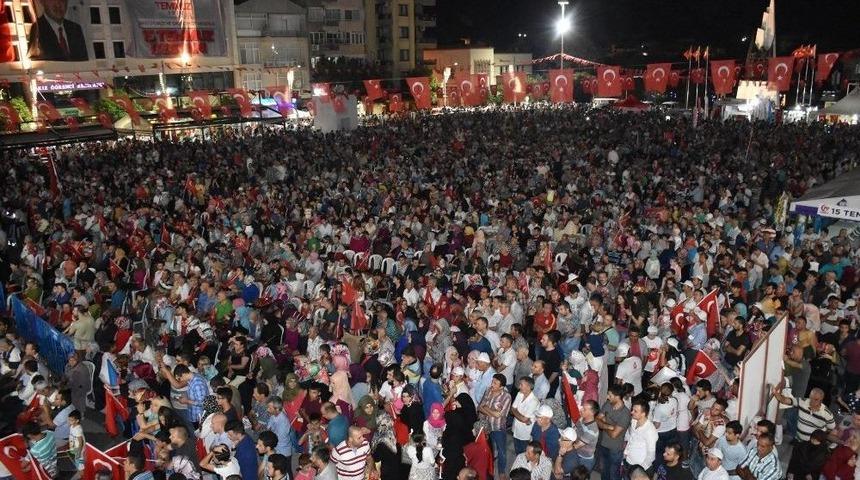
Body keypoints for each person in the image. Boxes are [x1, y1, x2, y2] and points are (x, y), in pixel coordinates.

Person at [477, 373, 511, 475]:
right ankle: (488, 467)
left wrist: (486, 408)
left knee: (502, 451)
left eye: (495, 383)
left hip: (497, 427)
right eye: (492, 381)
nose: (492, 384)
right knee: (488, 447)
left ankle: (501, 472)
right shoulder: (488, 390)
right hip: (486, 425)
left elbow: (499, 415)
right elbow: (479, 407)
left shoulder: (506, 397)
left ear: (502, 387)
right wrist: (491, 411)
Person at [597, 384, 630, 480]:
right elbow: (597, 419)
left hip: (615, 449)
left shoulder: (625, 414)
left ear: (617, 397)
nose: (607, 397)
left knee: (614, 474)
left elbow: (614, 434)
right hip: (603, 444)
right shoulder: (608, 404)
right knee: (604, 471)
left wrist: (603, 424)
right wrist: (609, 426)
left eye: (610, 395)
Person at [623, 398, 658, 472]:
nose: (632, 412)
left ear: (643, 414)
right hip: (628, 461)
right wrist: (625, 453)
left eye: (635, 411)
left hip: (640, 466)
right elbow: (631, 439)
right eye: (632, 410)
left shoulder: (650, 431)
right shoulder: (634, 421)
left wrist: (640, 469)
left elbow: (651, 455)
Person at [511, 376, 539, 455]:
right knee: (517, 451)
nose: (519, 386)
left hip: (524, 433)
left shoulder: (534, 401)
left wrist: (516, 412)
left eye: (521, 385)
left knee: (524, 453)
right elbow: (512, 409)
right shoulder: (519, 394)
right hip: (516, 428)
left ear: (528, 387)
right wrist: (521, 416)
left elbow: (523, 419)